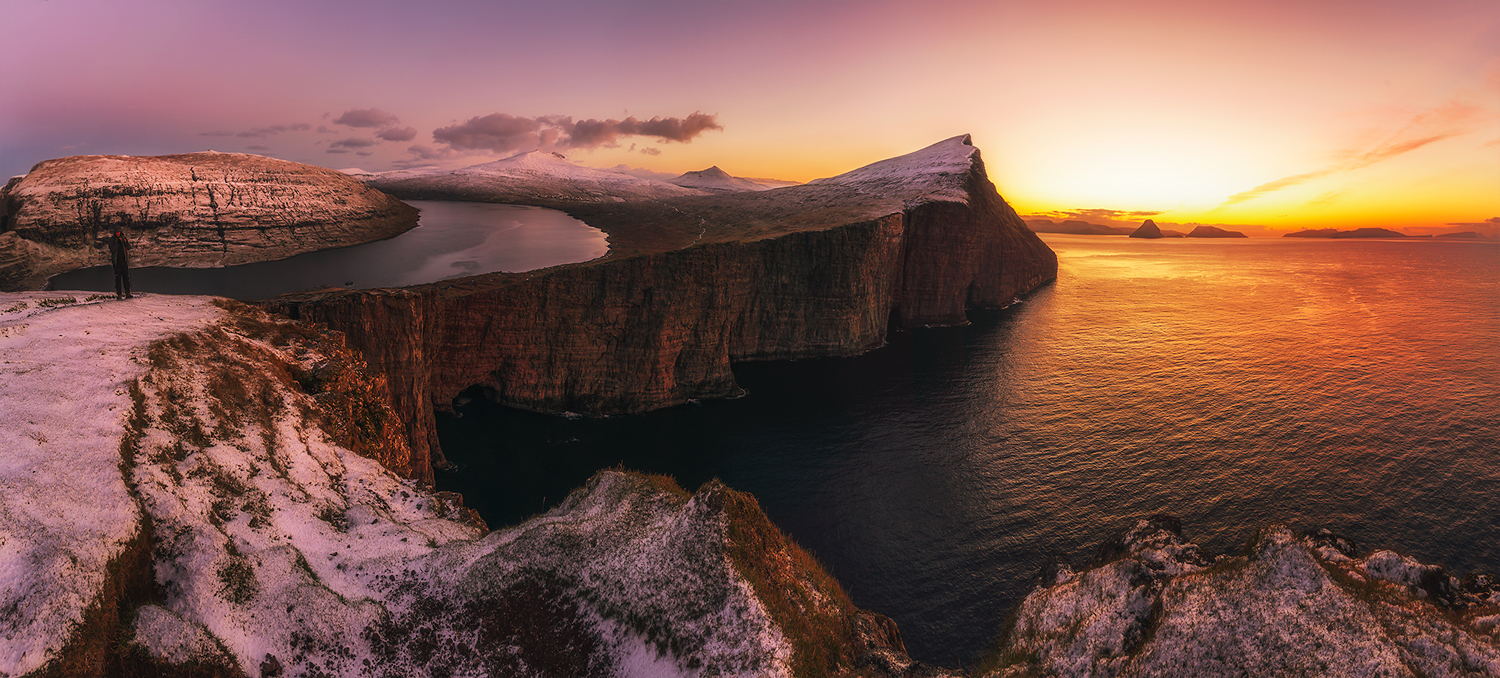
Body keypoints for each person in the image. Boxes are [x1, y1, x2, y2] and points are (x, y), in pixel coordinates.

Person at [107, 230, 132, 299]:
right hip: (117, 263)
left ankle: (128, 293)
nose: (118, 234)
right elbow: (112, 249)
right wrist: (118, 243)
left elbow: (129, 247)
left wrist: (125, 243)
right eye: (116, 232)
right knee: (118, 278)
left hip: (124, 262)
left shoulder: (124, 238)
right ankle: (119, 294)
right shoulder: (112, 240)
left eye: (119, 232)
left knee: (126, 278)